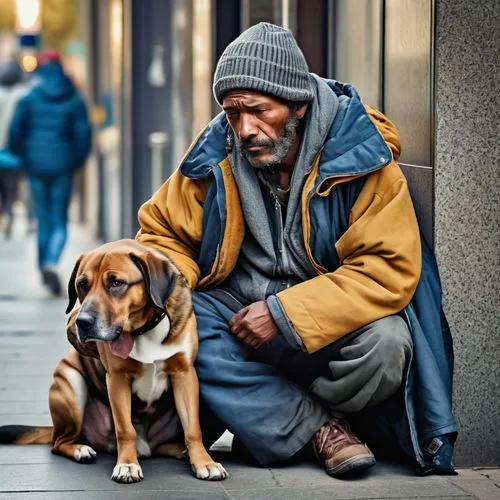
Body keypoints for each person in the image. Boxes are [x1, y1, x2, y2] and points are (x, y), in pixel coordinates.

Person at [136, 23, 456, 478]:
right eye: (232, 113)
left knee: (388, 344)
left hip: (328, 330)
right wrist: (166, 295)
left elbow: (387, 269)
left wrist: (284, 313)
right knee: (185, 323)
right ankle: (320, 429)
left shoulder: (363, 158)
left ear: (298, 104)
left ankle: (277, 415)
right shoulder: (216, 153)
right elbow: (162, 234)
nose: (244, 128)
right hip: (237, 320)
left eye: (258, 110)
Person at [9, 50, 92, 295]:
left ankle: (45, 265)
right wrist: (75, 160)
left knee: (43, 219)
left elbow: (15, 131)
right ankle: (52, 262)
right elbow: (83, 134)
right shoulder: (73, 96)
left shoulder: (29, 95)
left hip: (35, 167)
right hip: (63, 166)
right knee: (59, 218)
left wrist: (23, 157)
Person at [0, 60, 26, 238]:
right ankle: (9, 214)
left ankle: (4, 214)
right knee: (11, 191)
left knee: (2, 191)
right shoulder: (24, 96)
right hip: (14, 153)